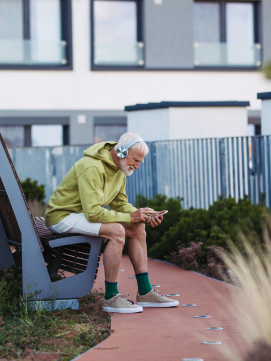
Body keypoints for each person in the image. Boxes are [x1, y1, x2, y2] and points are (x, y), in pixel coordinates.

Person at [44, 133, 179, 313]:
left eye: (141, 162)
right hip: (62, 217)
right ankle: (111, 297)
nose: (137, 167)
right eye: (136, 160)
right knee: (117, 231)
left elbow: (119, 204)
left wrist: (142, 215)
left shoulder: (120, 169)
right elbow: (92, 213)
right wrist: (130, 217)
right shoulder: (91, 167)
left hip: (81, 215)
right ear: (122, 151)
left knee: (137, 227)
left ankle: (145, 292)